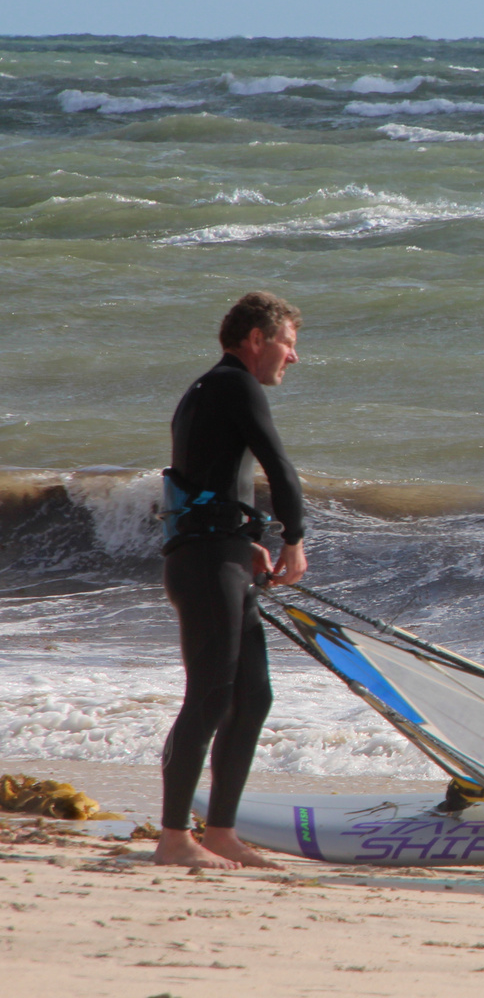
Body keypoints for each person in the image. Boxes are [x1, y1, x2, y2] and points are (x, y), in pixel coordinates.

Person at [152, 292, 308, 870]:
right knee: (210, 696)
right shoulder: (233, 384)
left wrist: (245, 544)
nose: (293, 358)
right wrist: (293, 538)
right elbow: (278, 464)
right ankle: (173, 838)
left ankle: (219, 832)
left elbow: (203, 482)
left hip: (219, 557)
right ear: (257, 339)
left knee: (252, 696)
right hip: (205, 566)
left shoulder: (208, 389)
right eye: (289, 344)